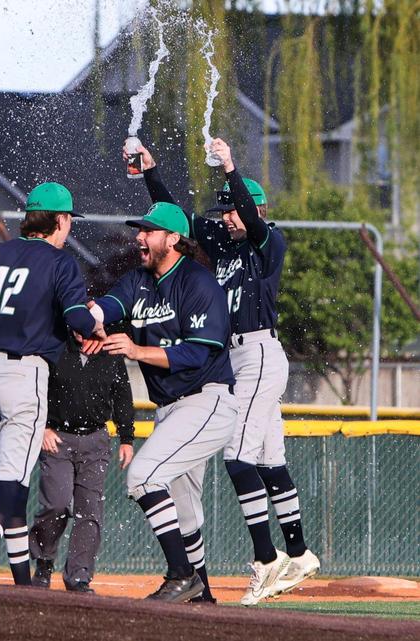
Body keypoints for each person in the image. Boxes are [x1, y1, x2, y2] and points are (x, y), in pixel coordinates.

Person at [128, 140, 319, 604]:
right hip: (238, 357)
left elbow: (252, 223)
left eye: (235, 209)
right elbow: (177, 220)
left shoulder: (267, 242)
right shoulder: (222, 245)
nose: (228, 217)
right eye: (225, 210)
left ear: (256, 209)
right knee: (270, 458)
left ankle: (266, 559)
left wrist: (232, 166)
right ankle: (298, 551)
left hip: (257, 352)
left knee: (238, 457)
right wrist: (152, 172)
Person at [0, 182, 103, 586]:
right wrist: (95, 323)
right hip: (25, 377)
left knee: (14, 487)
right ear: (60, 221)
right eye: (68, 222)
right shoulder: (60, 263)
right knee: (7, 490)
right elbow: (79, 319)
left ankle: (23, 586)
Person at [87, 201, 239, 602]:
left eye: (150, 230)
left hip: (208, 402)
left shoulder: (198, 282)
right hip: (171, 408)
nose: (141, 235)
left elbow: (198, 353)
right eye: (141, 229)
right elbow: (109, 306)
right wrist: (90, 318)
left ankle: (180, 574)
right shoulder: (137, 280)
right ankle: (202, 593)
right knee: (185, 513)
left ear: (173, 239)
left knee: (143, 476)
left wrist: (136, 351)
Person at [29, 333, 135, 593]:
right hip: (57, 439)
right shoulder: (55, 345)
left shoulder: (111, 353)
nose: (82, 328)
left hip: (95, 440)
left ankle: (79, 576)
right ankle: (43, 563)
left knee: (89, 511)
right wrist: (41, 426)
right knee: (57, 503)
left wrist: (127, 438)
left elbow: (122, 394)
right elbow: (35, 387)